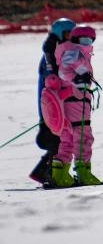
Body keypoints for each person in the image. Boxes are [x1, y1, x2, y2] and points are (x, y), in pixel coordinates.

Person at [49, 25, 102, 187]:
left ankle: (60, 174)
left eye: (89, 40)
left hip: (73, 98)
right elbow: (64, 71)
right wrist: (77, 79)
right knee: (83, 133)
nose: (86, 43)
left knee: (69, 137)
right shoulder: (74, 52)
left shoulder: (76, 52)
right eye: (83, 40)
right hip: (76, 100)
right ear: (75, 40)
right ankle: (83, 172)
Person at [29, 17, 75, 187]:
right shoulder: (51, 54)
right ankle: (50, 174)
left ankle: (43, 171)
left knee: (62, 137)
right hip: (51, 105)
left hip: (59, 102)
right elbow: (52, 79)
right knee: (57, 138)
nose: (71, 37)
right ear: (59, 34)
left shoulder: (60, 51)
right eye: (68, 34)